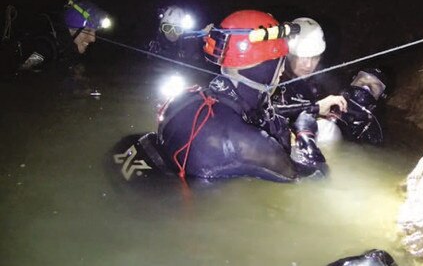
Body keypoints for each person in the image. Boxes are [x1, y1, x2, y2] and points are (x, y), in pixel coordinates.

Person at [111, 10, 327, 183]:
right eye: (278, 63)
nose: (281, 72)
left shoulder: (186, 97)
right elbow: (315, 178)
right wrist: (306, 130)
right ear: (265, 66)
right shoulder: (250, 143)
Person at [0, 0, 109, 74]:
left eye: (95, 32)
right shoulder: (44, 50)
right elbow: (20, 71)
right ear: (72, 28)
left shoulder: (67, 48)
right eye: (88, 30)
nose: (93, 38)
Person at [273, 17, 347, 122]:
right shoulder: (272, 79)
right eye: (303, 57)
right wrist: (316, 108)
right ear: (289, 54)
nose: (308, 65)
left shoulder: (317, 84)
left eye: (315, 57)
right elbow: (267, 112)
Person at [317, 67, 388, 145]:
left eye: (374, 88)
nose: (366, 87)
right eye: (361, 82)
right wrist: (317, 109)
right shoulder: (330, 101)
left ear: (381, 96)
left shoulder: (374, 129)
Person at [147, 5, 212, 63]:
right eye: (167, 27)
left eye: (177, 29)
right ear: (161, 29)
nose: (172, 32)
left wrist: (207, 35)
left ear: (182, 31)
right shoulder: (152, 43)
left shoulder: (190, 43)